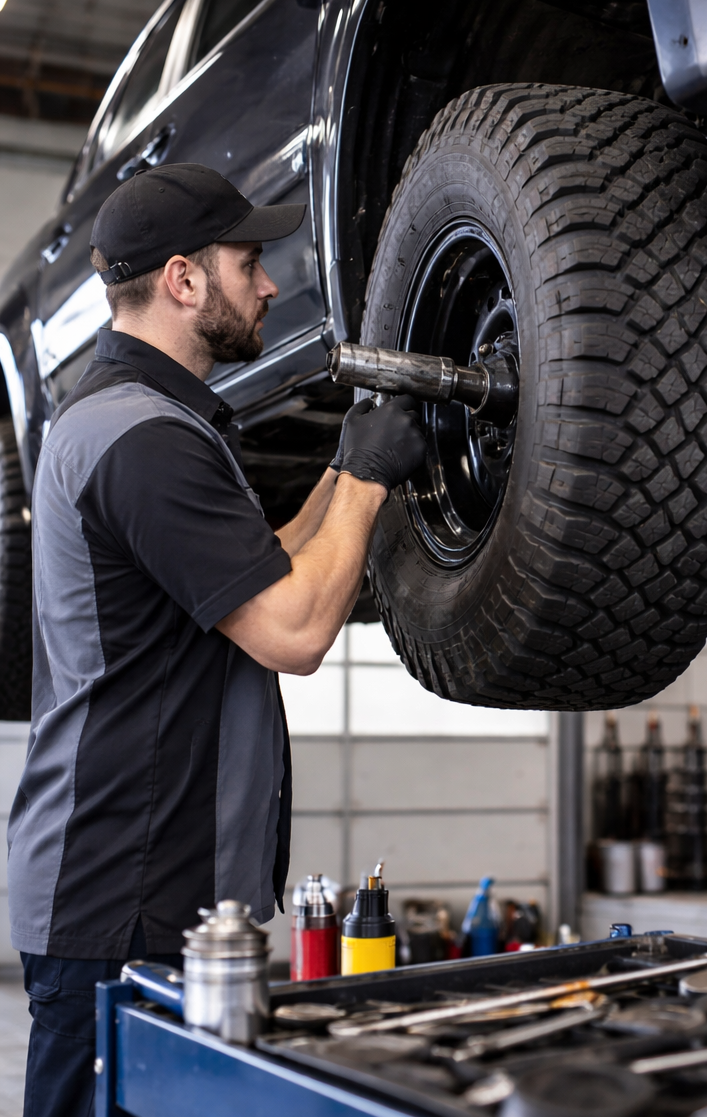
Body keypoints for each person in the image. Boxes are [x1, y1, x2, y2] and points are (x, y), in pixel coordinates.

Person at [6, 163, 426, 1117]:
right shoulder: (142, 440)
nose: (271, 284)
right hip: (120, 893)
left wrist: (342, 464)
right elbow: (293, 628)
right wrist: (364, 482)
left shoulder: (140, 421)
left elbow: (259, 569)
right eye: (250, 262)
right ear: (184, 280)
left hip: (139, 884)